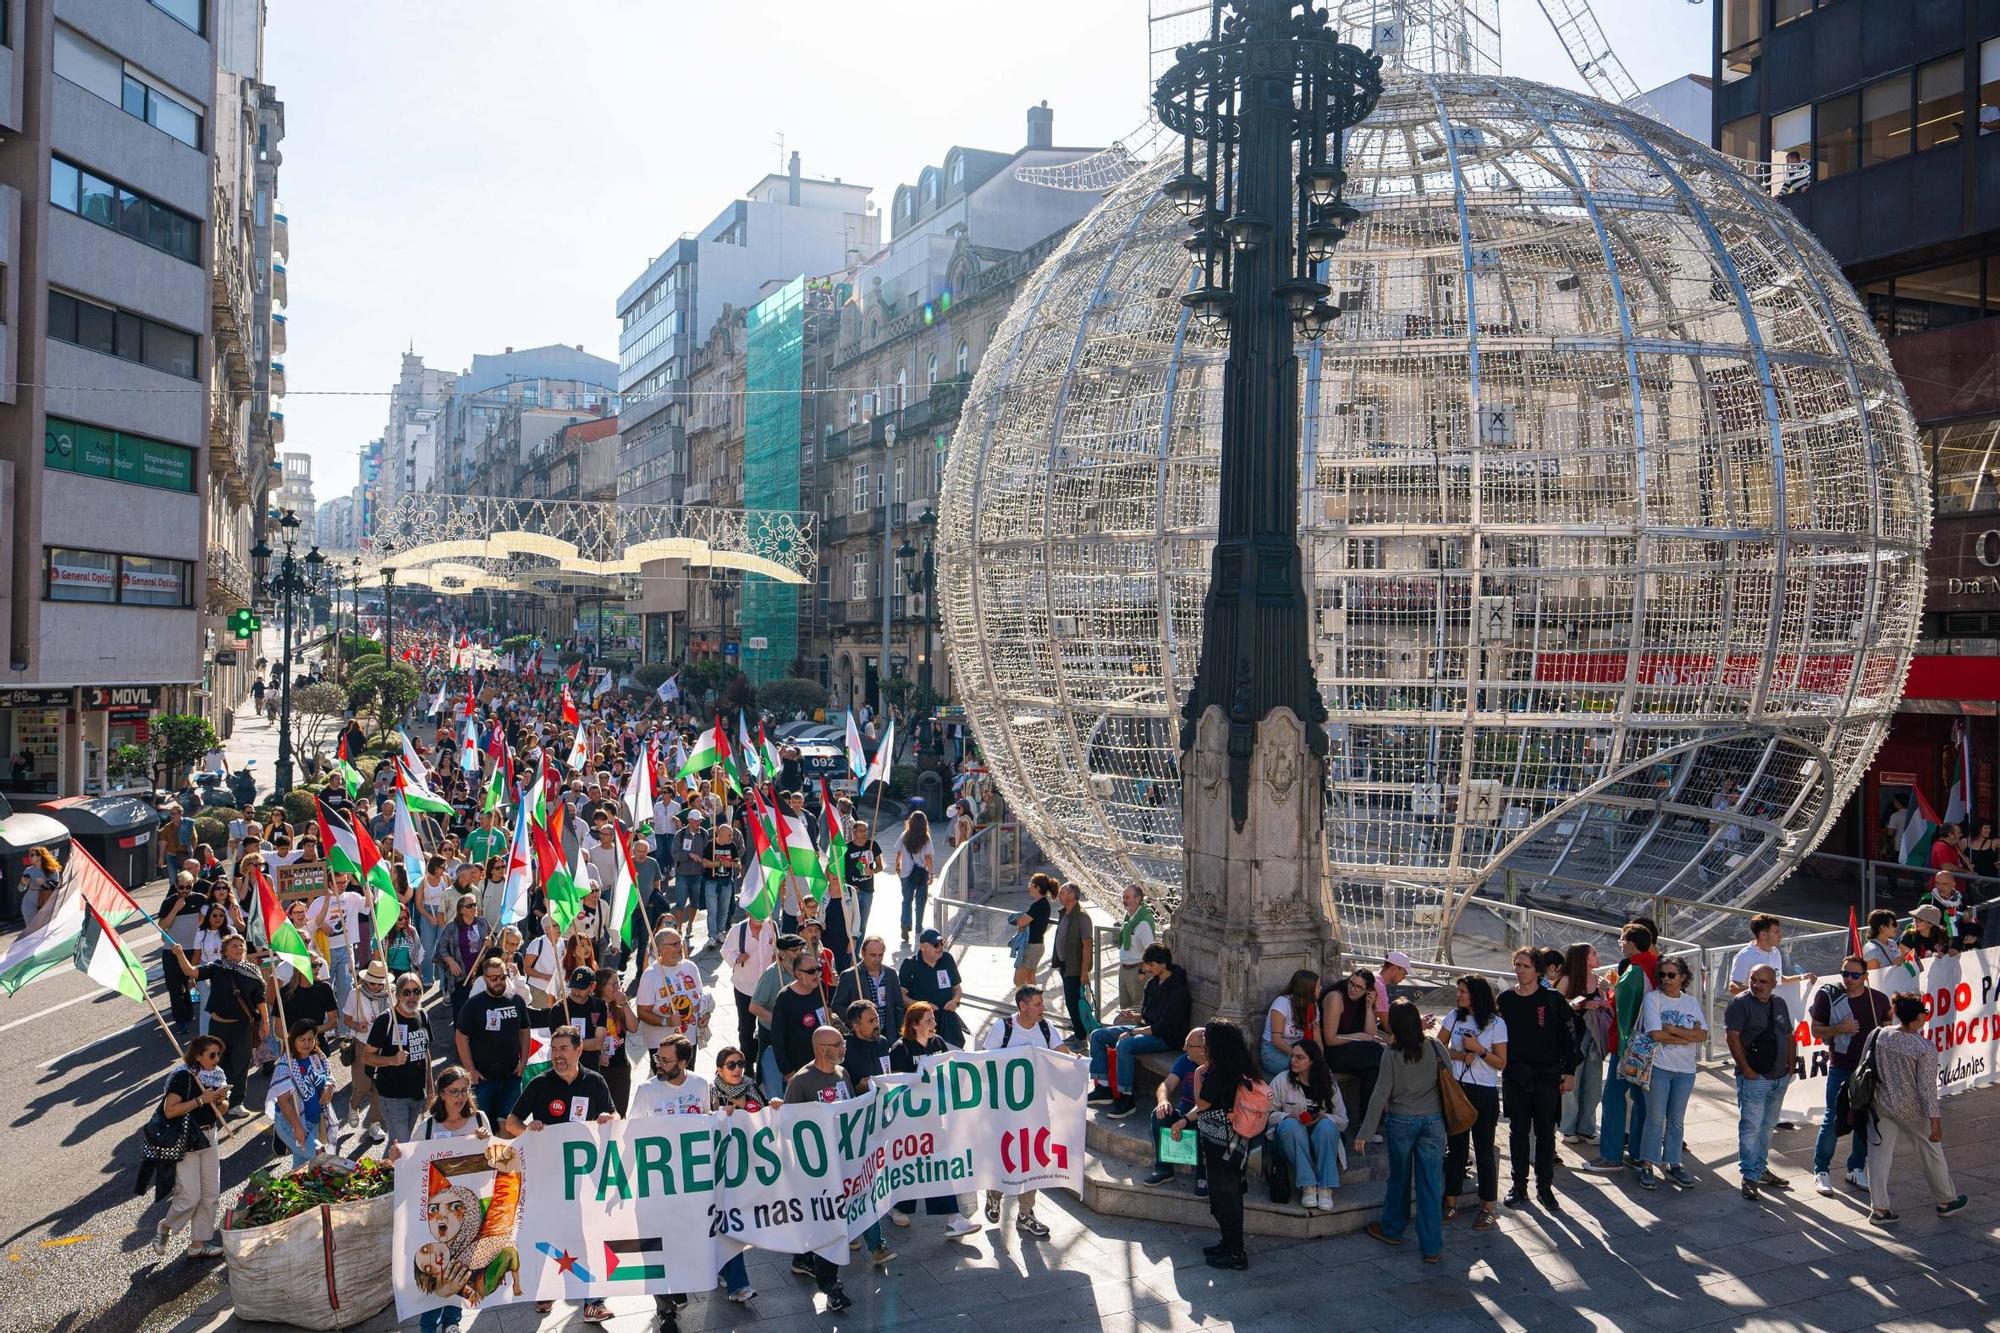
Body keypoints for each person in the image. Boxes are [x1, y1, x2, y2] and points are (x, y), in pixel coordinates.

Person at [504, 1026, 618, 1325]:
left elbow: (615, 1116)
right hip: (549, 1176)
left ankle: (593, 1301)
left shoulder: (595, 1082)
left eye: (564, 1050)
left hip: (584, 1177)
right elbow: (512, 1123)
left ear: (579, 1051)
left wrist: (608, 1119)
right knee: (547, 1232)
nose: (558, 1056)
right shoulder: (540, 1084)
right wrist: (527, 1130)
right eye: (555, 1051)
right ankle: (545, 1290)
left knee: (586, 1236)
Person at [1863, 991, 1968, 1226]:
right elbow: (1927, 1089)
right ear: (1919, 1017)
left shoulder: (1878, 1034)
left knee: (1878, 1156)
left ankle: (1879, 1209)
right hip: (1912, 1110)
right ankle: (1946, 1200)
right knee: (1931, 1153)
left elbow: (1864, 1067)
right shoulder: (1924, 1047)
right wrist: (1935, 1120)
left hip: (1880, 1104)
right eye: (1925, 1013)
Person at [1167, 1019, 1264, 1270]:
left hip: (1222, 1145)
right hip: (1230, 1143)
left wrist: (1199, 1073)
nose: (1204, 1045)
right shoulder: (1237, 1067)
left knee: (1226, 1198)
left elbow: (1204, 1103)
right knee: (1226, 1197)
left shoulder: (1217, 1071)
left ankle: (1235, 1253)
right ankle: (1227, 1244)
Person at [1355, 1000, 1448, 1262]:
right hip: (1433, 1121)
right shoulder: (1435, 1046)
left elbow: (1380, 1094)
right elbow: (1448, 1081)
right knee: (1430, 1184)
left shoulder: (1391, 1054)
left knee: (1399, 1179)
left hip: (1402, 1121)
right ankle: (1432, 1248)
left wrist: (1364, 1132)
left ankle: (1393, 1228)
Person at [782, 1028, 864, 1313]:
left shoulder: (843, 1074)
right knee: (824, 1223)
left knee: (831, 1224)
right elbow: (788, 1126)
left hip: (842, 1165)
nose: (843, 1047)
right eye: (838, 1044)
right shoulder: (801, 1082)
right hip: (815, 1172)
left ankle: (820, 1273)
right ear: (821, 1049)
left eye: (842, 1043)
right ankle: (829, 1284)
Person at [886, 1001, 979, 1237]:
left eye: (933, 1020)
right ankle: (899, 1204)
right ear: (914, 1024)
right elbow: (898, 1085)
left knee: (936, 1165)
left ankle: (953, 1217)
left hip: (935, 1118)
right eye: (928, 1020)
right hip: (911, 1121)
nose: (933, 1024)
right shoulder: (900, 1049)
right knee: (915, 1165)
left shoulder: (937, 1042)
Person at [980, 985, 1062, 1238]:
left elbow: (1062, 1055)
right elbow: (983, 1061)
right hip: (1007, 1110)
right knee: (1008, 1156)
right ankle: (995, 1193)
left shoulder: (1047, 1028)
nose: (1042, 1008)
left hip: (1038, 1109)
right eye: (1037, 1004)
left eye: (1042, 1003)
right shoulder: (1003, 1029)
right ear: (1022, 1006)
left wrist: (1078, 1064)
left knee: (1034, 1160)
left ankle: (1026, 1214)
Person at [1495, 949, 1573, 1210]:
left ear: (1538, 970)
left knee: (1545, 1135)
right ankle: (1518, 1186)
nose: (1519, 970)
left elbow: (1568, 1036)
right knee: (1517, 1132)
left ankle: (1545, 1187)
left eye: (1526, 966)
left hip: (1546, 1076)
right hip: (1515, 1077)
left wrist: (1569, 1071)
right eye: (1516, 965)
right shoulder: (1505, 999)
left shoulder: (1552, 999)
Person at [1808, 954, 1891, 1196]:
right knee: (1834, 1118)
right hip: (1841, 1066)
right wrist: (1840, 1029)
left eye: (1855, 975)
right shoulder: (1828, 996)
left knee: (1863, 1119)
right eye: (1845, 973)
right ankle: (1821, 1169)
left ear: (1865, 976)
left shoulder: (1879, 1000)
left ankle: (1856, 1167)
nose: (1849, 979)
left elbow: (1888, 1030)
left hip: (1869, 1069)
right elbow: (1816, 1030)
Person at [1087, 943, 1192, 1116]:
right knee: (1098, 1035)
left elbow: (1164, 1026)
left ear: (1163, 963)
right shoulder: (1153, 983)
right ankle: (1104, 1088)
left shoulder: (1178, 990)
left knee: (1125, 1044)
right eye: (1147, 964)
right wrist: (1133, 1016)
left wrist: (1133, 1032)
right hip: (1146, 1029)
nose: (1148, 968)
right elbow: (1146, 1015)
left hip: (1166, 1038)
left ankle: (1126, 1098)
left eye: (1151, 965)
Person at [148, 1036, 229, 1259]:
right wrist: (201, 1100)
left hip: (209, 1136)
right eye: (212, 1054)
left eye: (218, 1054)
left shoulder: (217, 1075)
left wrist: (220, 1100)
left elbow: (222, 1108)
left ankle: (198, 1244)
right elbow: (170, 1110)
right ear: (198, 1055)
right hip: (186, 1141)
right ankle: (165, 1227)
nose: (216, 1059)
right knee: (190, 1196)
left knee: (211, 1194)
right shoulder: (183, 1077)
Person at [169, 933, 269, 1112]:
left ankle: (236, 1103)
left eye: (241, 946)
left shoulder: (252, 971)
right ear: (225, 951)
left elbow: (259, 999)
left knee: (240, 1065)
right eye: (234, 946)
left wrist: (266, 1022)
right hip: (219, 1026)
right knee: (218, 1064)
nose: (239, 949)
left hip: (242, 1027)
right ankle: (218, 1101)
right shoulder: (216, 967)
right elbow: (191, 971)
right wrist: (179, 955)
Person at [1587, 923, 1656, 1173]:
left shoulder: (1635, 971)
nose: (1620, 944)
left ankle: (1610, 1155)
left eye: (1622, 941)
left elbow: (1623, 1012)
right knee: (1640, 1100)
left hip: (1629, 1045)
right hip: (1650, 1044)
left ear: (1631, 943)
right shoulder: (1654, 965)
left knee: (1613, 1098)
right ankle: (1638, 1153)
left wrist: (1610, 992)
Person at [1724, 964, 1796, 1200]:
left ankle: (1759, 1168)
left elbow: (1788, 1035)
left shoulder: (1780, 1003)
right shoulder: (1740, 1003)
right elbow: (1732, 1038)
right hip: (1755, 1078)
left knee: (1766, 1127)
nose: (1756, 984)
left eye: (1763, 981)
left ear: (1773, 984)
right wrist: (1746, 1070)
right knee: (1751, 1127)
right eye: (1753, 979)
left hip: (1779, 1077)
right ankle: (1749, 1176)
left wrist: (1791, 1067)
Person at [1634, 957, 1706, 1192]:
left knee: (1676, 1120)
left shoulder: (1692, 1002)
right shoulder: (1653, 998)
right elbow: (1656, 1035)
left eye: (1671, 975)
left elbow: (1703, 1035)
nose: (1666, 979)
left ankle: (1674, 1162)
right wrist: (1688, 1035)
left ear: (1683, 977)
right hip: (1659, 1068)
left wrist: (1673, 1030)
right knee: (1655, 1118)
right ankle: (1647, 1163)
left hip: (1685, 1070)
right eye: (1662, 975)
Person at [1442, 975, 1507, 1228]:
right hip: (1458, 1089)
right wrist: (1460, 1054)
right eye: (1458, 991)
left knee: (1484, 1149)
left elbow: (1501, 1063)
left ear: (1476, 995)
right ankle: (1450, 1202)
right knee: (1456, 1149)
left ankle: (1488, 1205)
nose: (1458, 995)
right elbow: (1438, 1048)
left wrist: (1479, 1050)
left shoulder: (1496, 1023)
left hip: (1484, 1091)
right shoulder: (1453, 1017)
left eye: (1463, 991)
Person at [1268, 1038, 1347, 1212]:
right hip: (1292, 1138)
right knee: (1289, 1126)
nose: (1293, 1061)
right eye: (1292, 1056)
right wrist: (1289, 1116)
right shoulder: (1282, 1080)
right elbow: (1266, 1114)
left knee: (1327, 1127)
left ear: (1312, 1061)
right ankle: (1308, 1185)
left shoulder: (1329, 1083)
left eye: (1299, 1057)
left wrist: (1324, 1117)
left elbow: (1343, 1120)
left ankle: (1326, 1187)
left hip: (1321, 1137)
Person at [454, 951, 530, 1124]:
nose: (498, 982)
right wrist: (471, 1070)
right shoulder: (474, 1004)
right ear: (484, 979)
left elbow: (525, 1031)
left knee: (509, 1125)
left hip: (511, 1076)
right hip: (483, 1079)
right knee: (481, 1127)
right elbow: (461, 1038)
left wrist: (523, 1061)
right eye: (493, 978)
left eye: (502, 977)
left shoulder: (516, 1001)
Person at [364, 971, 432, 1144]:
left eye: (416, 991)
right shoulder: (386, 1020)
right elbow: (367, 1056)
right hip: (393, 1095)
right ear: (397, 994)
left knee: (399, 1144)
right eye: (406, 992)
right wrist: (392, 1060)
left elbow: (426, 1054)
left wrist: (430, 1089)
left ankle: (389, 1170)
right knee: (402, 1143)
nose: (412, 996)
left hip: (417, 1093)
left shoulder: (422, 1015)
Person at [1319, 968, 1383, 1149]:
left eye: (1359, 988)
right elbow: (1330, 1039)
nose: (1353, 989)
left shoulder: (1363, 1001)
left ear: (1367, 990)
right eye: (1351, 984)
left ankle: (1367, 1125)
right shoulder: (1335, 998)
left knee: (1373, 1070)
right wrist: (1359, 1037)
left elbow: (1370, 1033)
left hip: (1355, 1050)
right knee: (1377, 1054)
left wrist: (1369, 1007)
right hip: (1334, 1052)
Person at [1144, 1027, 1208, 1195]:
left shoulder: (1214, 1068)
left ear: (1202, 1050)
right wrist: (1163, 1101)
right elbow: (1167, 1084)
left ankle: (1203, 1175)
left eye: (1188, 1045)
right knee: (1160, 1114)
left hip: (1205, 1116)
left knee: (1206, 1126)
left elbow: (1205, 1104)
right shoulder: (1184, 1060)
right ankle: (1163, 1168)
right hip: (1184, 1114)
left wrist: (1184, 1120)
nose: (1184, 1048)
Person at [1555, 943, 1609, 1143]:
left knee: (1593, 1082)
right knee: (1572, 1082)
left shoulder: (1598, 980)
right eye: (1593, 953)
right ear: (1583, 958)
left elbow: (1603, 1004)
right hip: (1573, 1037)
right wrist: (1583, 1004)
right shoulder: (1568, 980)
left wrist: (1604, 1003)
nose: (1597, 956)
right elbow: (1557, 1006)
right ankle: (1568, 1127)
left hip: (1594, 1037)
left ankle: (1586, 1126)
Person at [269, 1019, 336, 1167]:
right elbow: (283, 1102)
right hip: (292, 1122)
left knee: (304, 1165)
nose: (307, 1043)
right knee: (320, 1156)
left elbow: (329, 1077)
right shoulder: (285, 1065)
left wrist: (329, 1087)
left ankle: (297, 1188)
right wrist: (297, 1127)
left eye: (310, 1039)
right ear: (293, 1040)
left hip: (314, 1119)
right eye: (302, 1039)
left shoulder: (319, 1057)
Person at [340, 959, 394, 1142]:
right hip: (362, 1044)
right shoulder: (354, 994)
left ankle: (374, 1124)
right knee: (362, 1085)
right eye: (372, 982)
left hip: (384, 1046)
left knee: (380, 1087)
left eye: (380, 983)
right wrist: (356, 1025)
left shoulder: (391, 995)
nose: (376, 987)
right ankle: (353, 1106)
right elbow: (346, 1019)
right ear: (365, 980)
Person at [634, 927, 710, 1054]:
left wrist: (705, 1015)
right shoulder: (650, 975)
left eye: (680, 942)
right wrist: (666, 1021)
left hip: (688, 1041)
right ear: (661, 949)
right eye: (675, 944)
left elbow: (700, 997)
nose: (680, 947)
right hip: (662, 1045)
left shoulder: (690, 967)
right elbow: (642, 1012)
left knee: (688, 1073)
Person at [750, 932, 807, 1095]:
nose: (800, 953)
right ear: (781, 954)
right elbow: (754, 1006)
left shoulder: (803, 969)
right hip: (772, 1032)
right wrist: (777, 1020)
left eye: (801, 949)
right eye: (794, 950)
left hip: (797, 1030)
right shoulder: (771, 975)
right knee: (770, 1069)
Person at [769, 947, 834, 1084]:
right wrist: (787, 1071)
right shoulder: (785, 998)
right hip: (798, 1066)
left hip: (823, 1061)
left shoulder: (821, 987)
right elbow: (777, 1037)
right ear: (798, 974)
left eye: (818, 969)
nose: (816, 974)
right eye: (811, 971)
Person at [723, 910, 778, 1066]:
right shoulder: (738, 930)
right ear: (748, 913)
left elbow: (777, 949)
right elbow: (725, 951)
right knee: (746, 1027)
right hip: (744, 986)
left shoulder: (771, 926)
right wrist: (736, 958)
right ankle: (747, 1062)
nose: (759, 916)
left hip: (767, 988)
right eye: (755, 912)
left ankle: (764, 1060)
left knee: (766, 1025)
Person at [832, 934, 907, 1043]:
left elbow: (898, 1005)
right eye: (873, 955)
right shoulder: (851, 976)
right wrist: (856, 1024)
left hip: (888, 1035)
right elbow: (837, 1006)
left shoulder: (891, 974)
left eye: (880, 955)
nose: (877, 959)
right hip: (863, 1036)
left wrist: (900, 1031)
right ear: (863, 953)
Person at [898, 929, 966, 1047]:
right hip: (922, 1022)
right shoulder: (909, 964)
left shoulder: (947, 959)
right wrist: (922, 1006)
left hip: (946, 1017)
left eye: (942, 943)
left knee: (954, 1053)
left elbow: (957, 988)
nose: (940, 947)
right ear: (923, 947)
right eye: (935, 944)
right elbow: (901, 996)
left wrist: (956, 1001)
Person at [1047, 880, 1093, 1043]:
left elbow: (1087, 945)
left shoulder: (1082, 917)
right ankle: (1078, 1033)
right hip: (1065, 964)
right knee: (1070, 1000)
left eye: (1063, 892)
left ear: (1073, 895)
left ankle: (1081, 1037)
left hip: (1075, 967)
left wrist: (1084, 972)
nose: (1059, 895)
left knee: (1074, 1001)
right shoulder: (1065, 912)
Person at [1727, 913, 1813, 995]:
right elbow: (1733, 988)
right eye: (1776, 932)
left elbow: (1778, 979)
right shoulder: (1744, 956)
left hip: (1773, 1007)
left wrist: (1802, 977)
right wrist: (1760, 993)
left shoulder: (1775, 952)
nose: (1780, 936)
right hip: (1755, 1009)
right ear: (1763, 935)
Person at [631, 1034, 709, 1116]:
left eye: (665, 1060)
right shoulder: (645, 1090)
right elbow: (633, 1126)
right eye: (657, 1058)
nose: (658, 1065)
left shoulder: (701, 1084)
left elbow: (707, 1118)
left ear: (682, 1063)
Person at [1261, 969, 1319, 1077]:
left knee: (1319, 1069)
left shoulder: (1313, 1006)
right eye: (1318, 986)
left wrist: (1320, 1057)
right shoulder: (1282, 1004)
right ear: (1308, 989)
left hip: (1298, 1048)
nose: (1321, 989)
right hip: (1275, 1050)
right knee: (1304, 1069)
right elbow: (1276, 1040)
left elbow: (1317, 1037)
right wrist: (1299, 1056)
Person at [893, 809, 935, 946]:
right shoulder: (926, 837)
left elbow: (898, 852)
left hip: (906, 873)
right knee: (920, 901)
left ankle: (905, 924)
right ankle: (918, 926)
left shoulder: (905, 835)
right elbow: (928, 857)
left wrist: (897, 865)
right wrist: (931, 872)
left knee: (906, 900)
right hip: (921, 873)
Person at [1113, 883, 1157, 1011]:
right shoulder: (1128, 919)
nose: (1124, 900)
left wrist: (1143, 971)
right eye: (1123, 897)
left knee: (1137, 1010)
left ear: (1137, 899)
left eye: (1127, 897)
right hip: (1124, 970)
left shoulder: (1143, 922)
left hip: (1137, 971)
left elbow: (1151, 950)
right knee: (1125, 1010)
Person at [1010, 873, 1056, 988]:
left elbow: (1021, 922)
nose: (1028, 886)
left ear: (1037, 888)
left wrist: (1019, 921)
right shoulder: (1043, 904)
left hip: (1032, 947)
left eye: (1031, 883)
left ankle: (1027, 1003)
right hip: (1037, 945)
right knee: (1030, 978)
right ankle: (1035, 1002)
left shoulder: (1038, 906)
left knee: (1018, 980)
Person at [1861, 908, 1907, 981]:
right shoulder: (1871, 951)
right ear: (1882, 927)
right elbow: (1873, 980)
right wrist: (1893, 966)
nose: (1897, 926)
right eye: (1894, 924)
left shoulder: (1892, 943)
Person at [1374, 952, 1411, 1031]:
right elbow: (1387, 1027)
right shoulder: (1379, 987)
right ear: (1394, 969)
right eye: (1404, 973)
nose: (1404, 977)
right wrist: (1416, 1025)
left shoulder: (1374, 977)